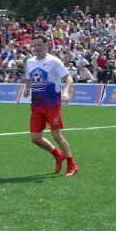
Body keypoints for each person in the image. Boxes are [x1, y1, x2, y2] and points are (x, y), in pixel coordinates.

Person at [25, 34, 76, 176]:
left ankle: (72, 164)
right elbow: (29, 79)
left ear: (46, 45)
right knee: (35, 138)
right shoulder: (29, 62)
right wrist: (27, 88)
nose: (36, 48)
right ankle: (57, 154)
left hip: (52, 104)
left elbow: (69, 78)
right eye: (34, 45)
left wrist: (66, 91)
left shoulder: (54, 61)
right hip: (36, 105)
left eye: (39, 45)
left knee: (56, 135)